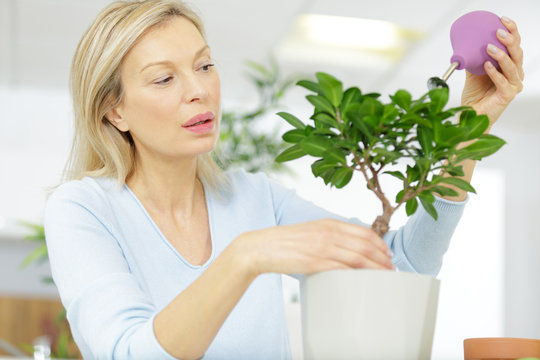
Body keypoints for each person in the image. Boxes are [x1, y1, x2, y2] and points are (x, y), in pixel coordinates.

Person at [44, 0, 524, 359]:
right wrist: (247, 255)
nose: (199, 91)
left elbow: (402, 267)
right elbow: (129, 353)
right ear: (115, 109)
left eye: (205, 66)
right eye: (164, 79)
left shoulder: (254, 197)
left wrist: (465, 136)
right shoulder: (82, 209)